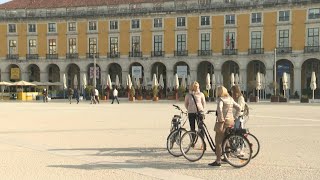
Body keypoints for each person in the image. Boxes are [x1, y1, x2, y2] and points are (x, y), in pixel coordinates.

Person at [208, 85, 241, 167]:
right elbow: (239, 108)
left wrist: (221, 119)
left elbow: (219, 109)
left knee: (218, 141)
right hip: (230, 121)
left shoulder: (220, 99)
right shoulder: (230, 99)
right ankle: (227, 157)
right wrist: (235, 117)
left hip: (223, 122)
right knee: (226, 139)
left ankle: (218, 160)